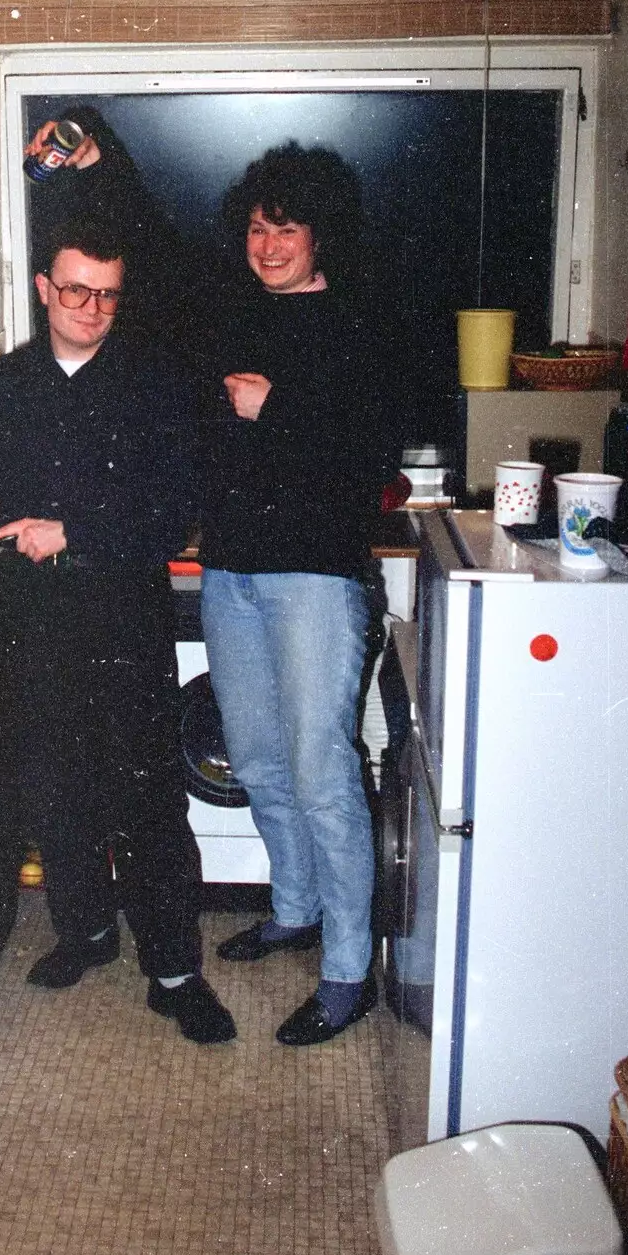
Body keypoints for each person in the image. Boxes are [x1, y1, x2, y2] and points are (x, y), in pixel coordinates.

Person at [0, 217, 236, 1045]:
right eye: (75, 290)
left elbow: (175, 512)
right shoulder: (7, 384)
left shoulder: (153, 384)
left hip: (121, 615)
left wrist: (72, 530)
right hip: (31, 618)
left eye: (107, 294)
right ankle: (87, 932)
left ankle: (177, 972)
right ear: (43, 289)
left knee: (146, 798)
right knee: (56, 782)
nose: (92, 308)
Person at [196, 142, 406, 1046]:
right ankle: (295, 905)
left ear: (321, 236)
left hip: (315, 575)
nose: (269, 244)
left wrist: (271, 408)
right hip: (231, 569)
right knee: (255, 755)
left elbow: (369, 465)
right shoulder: (233, 316)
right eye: (255, 227)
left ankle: (349, 968)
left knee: (324, 770)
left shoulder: (363, 328)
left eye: (286, 228)